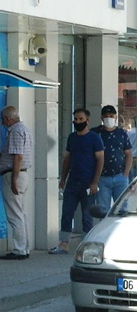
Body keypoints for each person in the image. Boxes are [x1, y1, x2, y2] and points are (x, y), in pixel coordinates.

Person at [50, 108, 104, 252]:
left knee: (87, 215)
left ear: (87, 121)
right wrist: (63, 178)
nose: (78, 122)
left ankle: (85, 245)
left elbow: (100, 160)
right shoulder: (72, 137)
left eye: (81, 119)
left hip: (88, 182)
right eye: (76, 119)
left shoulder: (94, 138)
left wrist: (95, 182)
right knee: (67, 213)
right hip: (73, 182)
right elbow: (67, 159)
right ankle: (64, 243)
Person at [0, 105, 33, 260]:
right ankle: (24, 248)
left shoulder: (15, 131)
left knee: (15, 215)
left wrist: (13, 179)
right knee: (21, 213)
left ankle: (19, 250)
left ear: (7, 118)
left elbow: (18, 156)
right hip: (22, 174)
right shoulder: (25, 129)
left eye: (3, 120)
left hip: (14, 174)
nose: (2, 123)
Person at [97, 105, 133, 214]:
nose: (109, 118)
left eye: (111, 116)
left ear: (116, 117)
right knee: (103, 210)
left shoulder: (122, 133)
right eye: (106, 116)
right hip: (102, 178)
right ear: (102, 118)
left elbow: (128, 154)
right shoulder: (96, 133)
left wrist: (125, 174)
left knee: (122, 209)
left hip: (120, 177)